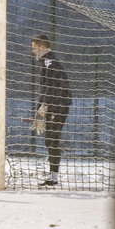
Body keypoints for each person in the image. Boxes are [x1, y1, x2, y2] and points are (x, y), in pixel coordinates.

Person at [29, 34, 71, 187]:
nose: (32, 51)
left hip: (59, 105)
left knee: (52, 140)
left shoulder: (49, 63)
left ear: (42, 47)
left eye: (34, 48)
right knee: (50, 140)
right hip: (55, 104)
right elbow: (46, 89)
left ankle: (54, 178)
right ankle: (53, 177)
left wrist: (44, 107)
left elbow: (52, 88)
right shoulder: (45, 63)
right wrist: (39, 109)